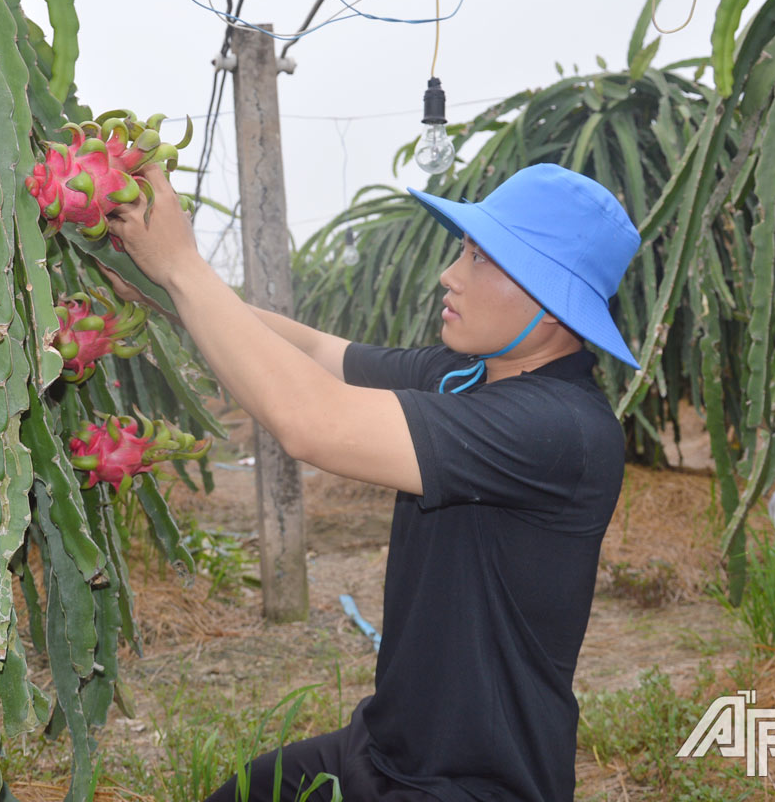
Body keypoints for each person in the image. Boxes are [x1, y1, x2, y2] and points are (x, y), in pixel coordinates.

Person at [105, 162, 644, 802]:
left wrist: (184, 267)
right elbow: (318, 355)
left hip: (475, 783)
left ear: (553, 301)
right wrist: (167, 291)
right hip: (389, 745)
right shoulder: (465, 374)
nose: (451, 273)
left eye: (480, 258)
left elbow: (313, 422)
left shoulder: (561, 431)